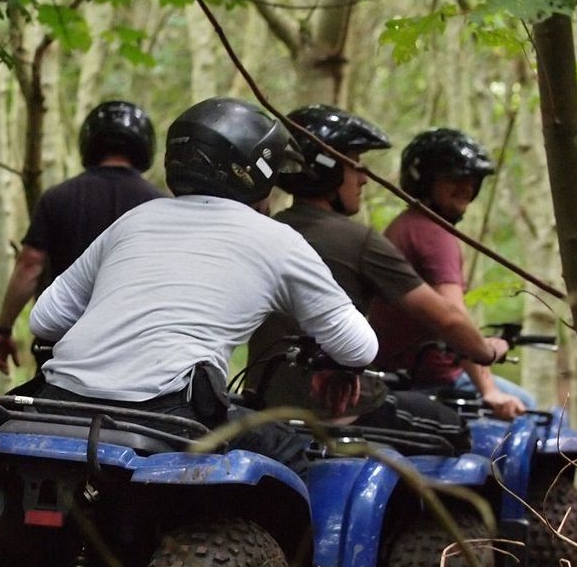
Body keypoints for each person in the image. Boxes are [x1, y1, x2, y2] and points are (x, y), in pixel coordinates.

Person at [25, 97, 380, 471]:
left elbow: (45, 320)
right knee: (300, 453)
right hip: (167, 413)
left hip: (62, 400)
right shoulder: (277, 240)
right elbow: (359, 347)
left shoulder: (136, 220)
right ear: (255, 172)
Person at [246, 105, 512, 445]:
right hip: (338, 411)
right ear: (325, 169)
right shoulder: (359, 241)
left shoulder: (266, 231)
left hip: (262, 406)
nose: (364, 177)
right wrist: (488, 351)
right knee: (457, 431)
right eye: (354, 164)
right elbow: (447, 318)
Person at [368, 128, 534, 418]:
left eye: (472, 179)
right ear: (425, 181)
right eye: (454, 178)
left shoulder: (405, 224)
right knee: (531, 409)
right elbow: (452, 317)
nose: (466, 187)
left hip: (398, 372)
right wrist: (489, 391)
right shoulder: (433, 234)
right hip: (432, 378)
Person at [0, 101, 165, 374]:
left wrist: (3, 329)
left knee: (56, 416)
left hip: (63, 348)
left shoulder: (58, 198)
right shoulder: (159, 205)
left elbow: (29, 265)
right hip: (134, 350)